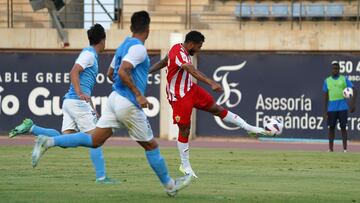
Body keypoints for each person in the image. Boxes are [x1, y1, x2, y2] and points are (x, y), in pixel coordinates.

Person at [30, 11, 192, 197]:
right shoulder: (138, 48)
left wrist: (126, 85)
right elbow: (123, 71)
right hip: (128, 103)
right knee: (151, 146)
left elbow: (111, 73)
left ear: (131, 27)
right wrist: (138, 94)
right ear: (147, 29)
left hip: (114, 99)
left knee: (94, 140)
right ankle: (170, 186)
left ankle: (48, 141)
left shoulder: (123, 46)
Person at [149, 30, 268, 178]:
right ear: (192, 44)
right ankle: (184, 165)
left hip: (191, 89)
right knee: (184, 129)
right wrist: (211, 82)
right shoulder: (179, 52)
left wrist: (149, 70)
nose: (199, 50)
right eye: (199, 46)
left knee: (216, 109)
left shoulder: (178, 49)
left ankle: (249, 127)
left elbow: (164, 61)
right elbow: (191, 70)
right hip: (179, 96)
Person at [8, 24, 117, 184]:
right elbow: (73, 72)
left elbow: (85, 84)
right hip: (77, 102)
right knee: (96, 139)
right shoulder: (89, 55)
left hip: (70, 102)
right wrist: (80, 93)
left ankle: (33, 128)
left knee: (65, 140)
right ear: (102, 40)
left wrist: (91, 105)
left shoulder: (89, 55)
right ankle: (101, 177)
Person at [323, 62, 357, 152]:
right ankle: (330, 149)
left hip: (342, 107)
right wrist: (325, 110)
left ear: (339, 70)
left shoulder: (344, 79)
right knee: (331, 128)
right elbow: (326, 96)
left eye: (337, 68)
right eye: (334, 68)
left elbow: (354, 89)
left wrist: (352, 103)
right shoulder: (327, 81)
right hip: (331, 108)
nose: (335, 70)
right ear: (331, 69)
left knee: (343, 128)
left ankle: (345, 149)